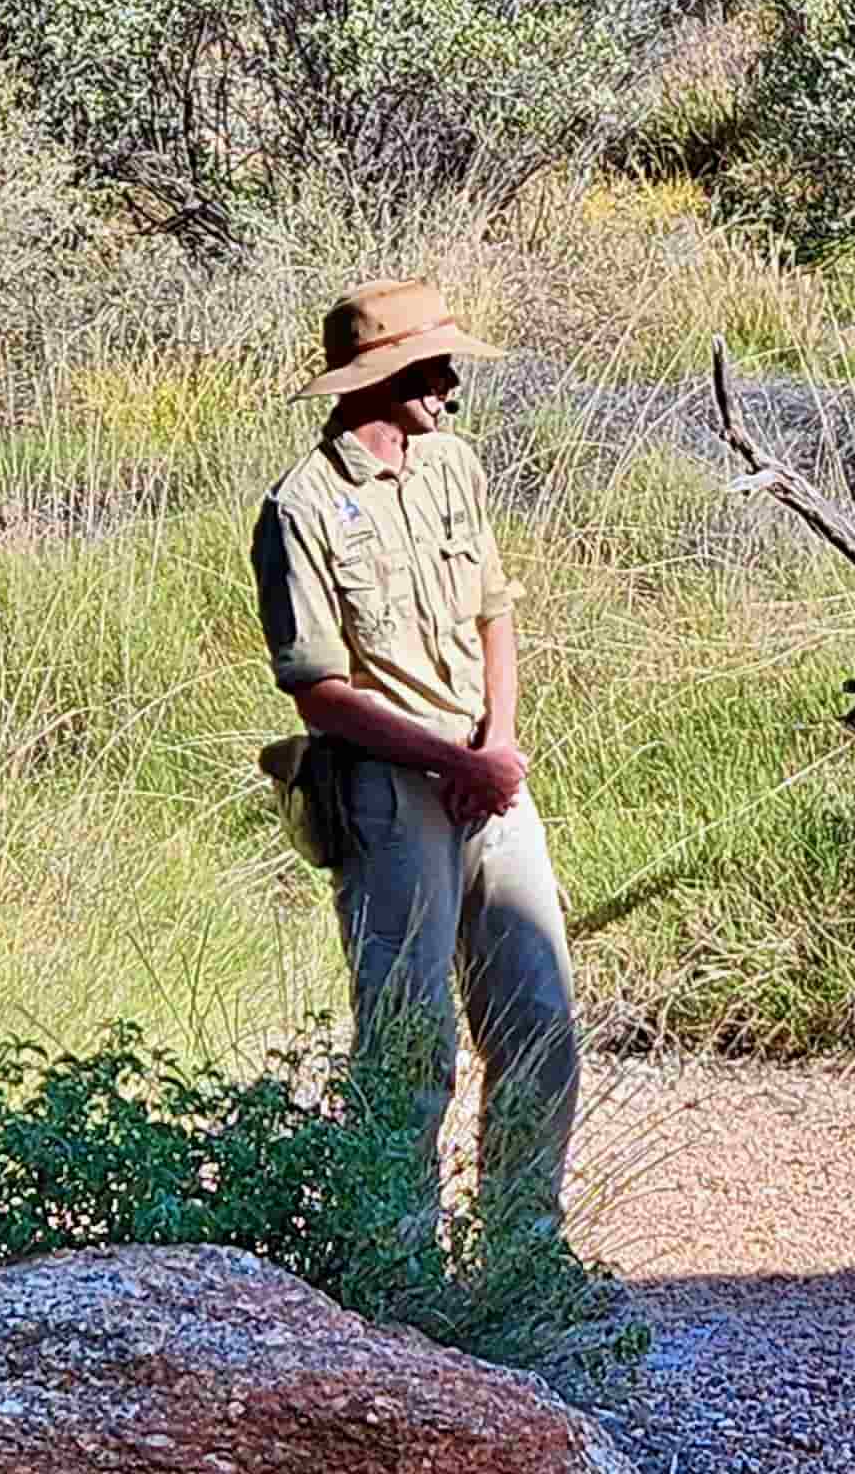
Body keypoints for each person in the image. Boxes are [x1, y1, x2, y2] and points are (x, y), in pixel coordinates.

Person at [249, 277, 576, 1240]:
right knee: (408, 1037)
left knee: (539, 1013)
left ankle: (524, 1246)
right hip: (391, 795)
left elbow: (494, 610)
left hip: (489, 778)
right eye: (431, 367)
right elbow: (319, 692)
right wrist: (445, 759)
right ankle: (398, 1262)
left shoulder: (454, 468)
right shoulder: (300, 508)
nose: (448, 384)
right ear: (373, 380)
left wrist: (498, 744)